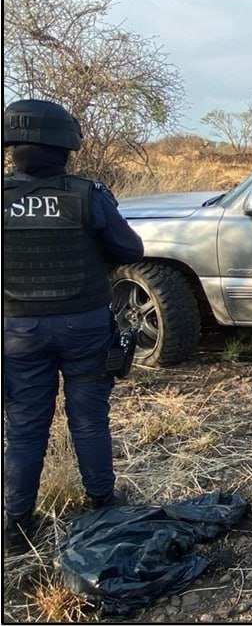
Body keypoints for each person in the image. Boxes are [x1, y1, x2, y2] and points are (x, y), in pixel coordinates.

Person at [3, 99, 144, 556]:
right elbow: (130, 249)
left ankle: (17, 523)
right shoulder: (86, 194)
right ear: (67, 145)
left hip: (18, 330)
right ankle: (102, 503)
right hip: (84, 326)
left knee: (25, 426)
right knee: (88, 421)